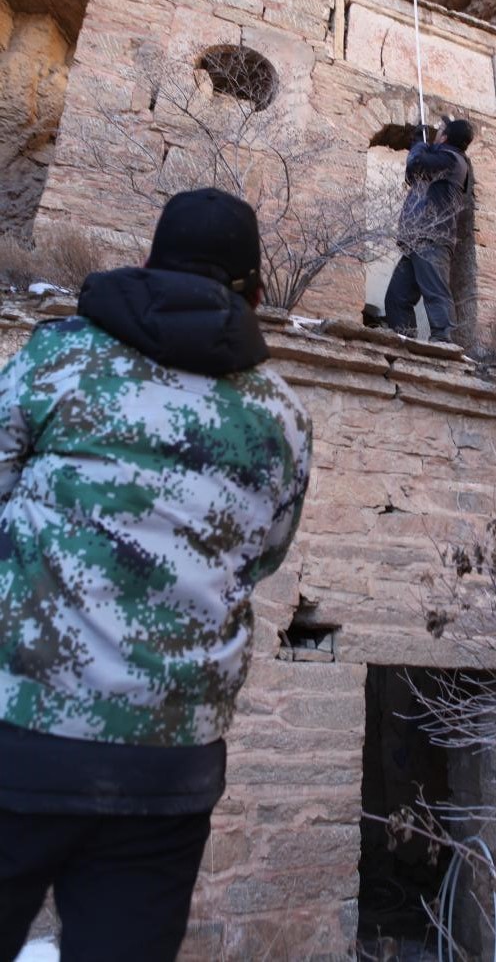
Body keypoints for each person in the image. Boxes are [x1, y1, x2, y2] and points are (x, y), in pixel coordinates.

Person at [0, 188, 311, 962]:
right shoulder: (281, 415)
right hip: (171, 761)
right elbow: (263, 554)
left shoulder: (60, 356)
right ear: (256, 291)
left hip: (21, 733)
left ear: (146, 260)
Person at [384, 117, 474, 343]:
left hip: (432, 239)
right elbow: (414, 174)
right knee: (397, 298)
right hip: (418, 240)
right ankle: (403, 340)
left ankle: (443, 340)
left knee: (435, 293)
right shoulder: (445, 157)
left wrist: (419, 145)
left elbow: (416, 166)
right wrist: (421, 145)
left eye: (440, 130)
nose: (437, 133)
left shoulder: (452, 160)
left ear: (445, 137)